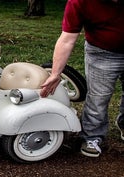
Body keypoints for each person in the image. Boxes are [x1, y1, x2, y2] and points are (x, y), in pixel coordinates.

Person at [40, 0, 124, 158]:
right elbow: (66, 40)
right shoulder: (79, 2)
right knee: (99, 97)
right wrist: (55, 74)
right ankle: (92, 137)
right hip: (102, 53)